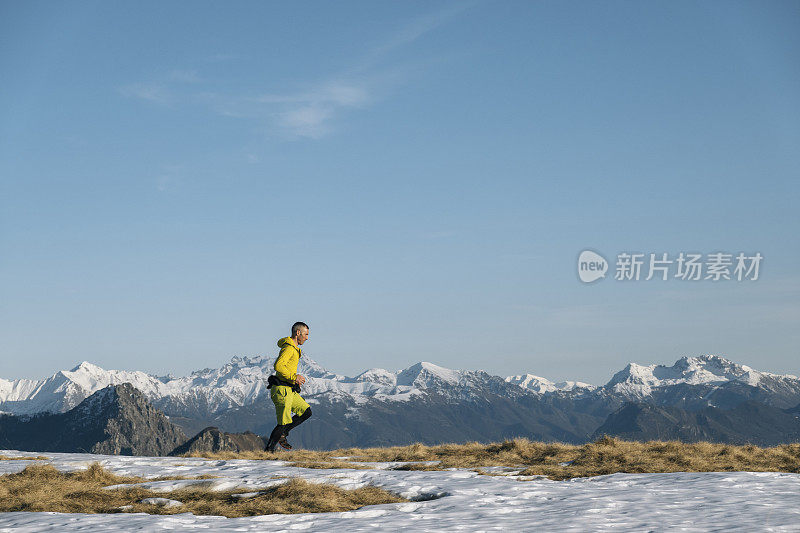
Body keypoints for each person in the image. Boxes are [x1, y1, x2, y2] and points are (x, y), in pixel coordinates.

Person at [265, 322, 312, 452]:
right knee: (282, 423)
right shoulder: (289, 348)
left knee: (306, 412)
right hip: (282, 390)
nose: (307, 338)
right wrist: (294, 377)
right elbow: (279, 366)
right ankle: (268, 451)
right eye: (306, 334)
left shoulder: (294, 348)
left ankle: (283, 434)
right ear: (298, 333)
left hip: (289, 390)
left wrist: (294, 379)